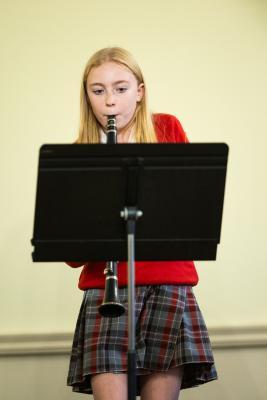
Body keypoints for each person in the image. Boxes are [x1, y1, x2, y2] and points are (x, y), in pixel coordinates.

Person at [66, 47, 217, 400]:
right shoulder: (80, 151)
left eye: (121, 88)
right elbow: (72, 255)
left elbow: (191, 213)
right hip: (107, 292)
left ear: (140, 91)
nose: (109, 101)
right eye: (98, 90)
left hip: (166, 284)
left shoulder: (166, 128)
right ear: (87, 96)